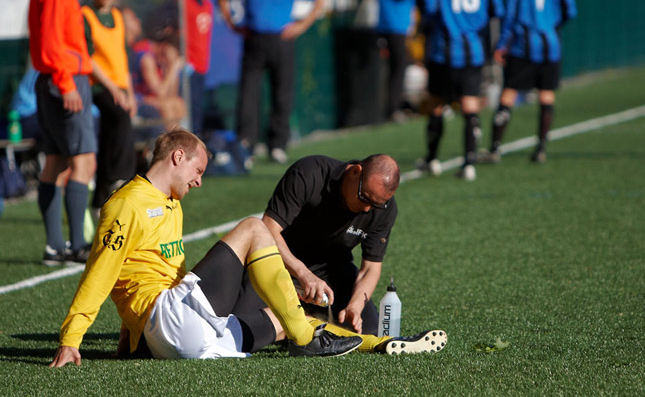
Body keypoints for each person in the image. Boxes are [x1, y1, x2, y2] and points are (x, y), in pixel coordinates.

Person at [48, 130, 444, 367]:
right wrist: (71, 340)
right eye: (198, 171)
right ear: (177, 156)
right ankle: (307, 341)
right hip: (170, 321)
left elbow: (143, 274)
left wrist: (130, 339)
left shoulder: (169, 203)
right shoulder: (126, 204)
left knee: (279, 324)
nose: (199, 181)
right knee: (254, 228)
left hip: (184, 337)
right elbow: (101, 273)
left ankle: (384, 344)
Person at [230, 154, 400, 337]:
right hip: (279, 263)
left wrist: (355, 306)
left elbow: (370, 268)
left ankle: (301, 321)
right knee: (242, 327)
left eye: (376, 205)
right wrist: (303, 273)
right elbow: (269, 229)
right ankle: (301, 321)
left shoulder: (385, 210)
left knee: (368, 331)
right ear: (355, 171)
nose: (367, 209)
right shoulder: (309, 173)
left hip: (331, 272)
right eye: (364, 198)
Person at [218, 0, 326, 164]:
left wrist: (302, 25)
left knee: (282, 93)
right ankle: (245, 145)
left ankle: (277, 145)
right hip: (254, 41)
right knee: (248, 94)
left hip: (282, 41)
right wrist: (232, 24)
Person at [28, 0, 96, 265]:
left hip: (54, 79)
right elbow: (51, 42)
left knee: (56, 159)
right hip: (64, 79)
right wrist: (67, 84)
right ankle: (78, 245)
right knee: (84, 160)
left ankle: (56, 246)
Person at [482, 0, 577, 163]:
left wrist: (502, 44)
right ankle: (541, 148)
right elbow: (570, 10)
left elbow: (510, 11)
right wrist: (551, 24)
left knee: (509, 93)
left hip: (523, 45)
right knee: (546, 94)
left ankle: (495, 149)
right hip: (551, 44)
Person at [417, 0, 504, 181]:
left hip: (443, 51)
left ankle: (433, 159)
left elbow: (429, 7)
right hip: (473, 50)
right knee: (470, 105)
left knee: (436, 103)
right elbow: (497, 8)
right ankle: (469, 163)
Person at [82, 0, 137, 215]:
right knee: (120, 117)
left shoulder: (117, 16)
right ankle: (121, 177)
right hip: (98, 86)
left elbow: (122, 59)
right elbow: (89, 58)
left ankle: (99, 198)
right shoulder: (86, 15)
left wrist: (130, 92)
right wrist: (114, 89)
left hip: (120, 87)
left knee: (109, 136)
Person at [378, 0, 422, 121]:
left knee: (401, 66)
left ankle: (397, 105)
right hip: (392, 27)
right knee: (398, 66)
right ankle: (393, 109)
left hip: (403, 27)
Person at [183, 0, 214, 138]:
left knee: (197, 108)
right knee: (187, 108)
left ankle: (196, 143)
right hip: (187, 66)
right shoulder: (182, 1)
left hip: (202, 65)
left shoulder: (207, 5)